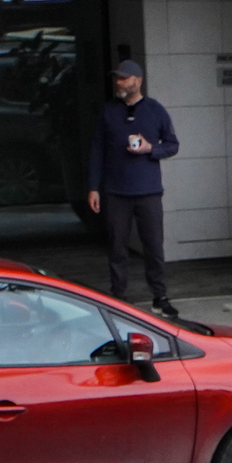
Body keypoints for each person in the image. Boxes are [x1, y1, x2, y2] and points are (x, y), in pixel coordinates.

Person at [87, 59, 179, 317]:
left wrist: (152, 149)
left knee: (154, 246)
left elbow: (173, 144)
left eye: (124, 78)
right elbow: (97, 150)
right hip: (115, 192)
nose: (118, 82)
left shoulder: (154, 110)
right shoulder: (108, 111)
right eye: (117, 77)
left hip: (148, 191)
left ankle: (160, 296)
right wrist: (93, 187)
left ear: (138, 81)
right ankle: (118, 296)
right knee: (117, 246)